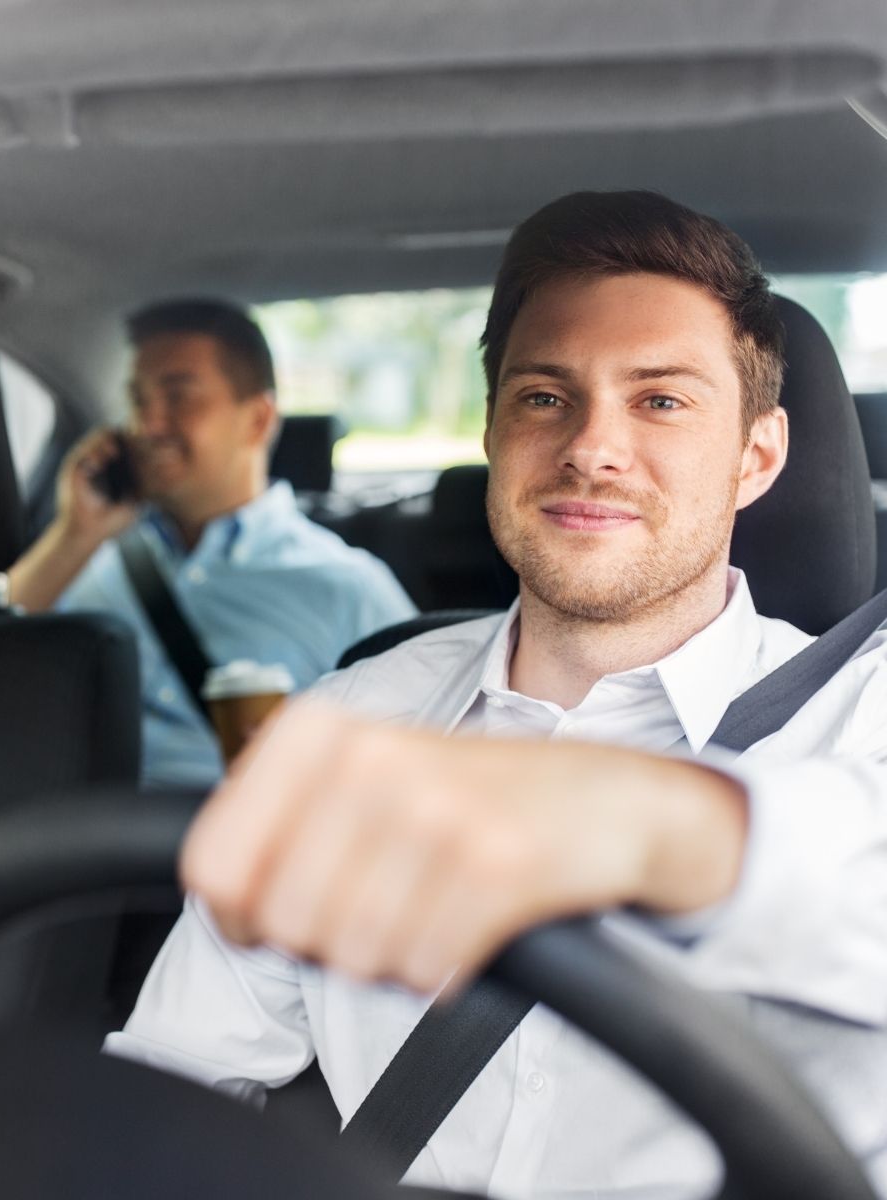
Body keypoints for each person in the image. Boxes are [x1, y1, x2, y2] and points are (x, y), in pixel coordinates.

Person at [106, 193, 887, 1196]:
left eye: (660, 401)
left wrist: (672, 832)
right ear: (491, 431)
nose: (591, 448)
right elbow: (169, 1087)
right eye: (545, 397)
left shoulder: (862, 718)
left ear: (757, 456)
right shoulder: (350, 721)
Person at [0, 298, 416, 789]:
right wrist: (73, 536)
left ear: (258, 420)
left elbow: (425, 767)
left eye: (178, 397)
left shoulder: (349, 587)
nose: (147, 425)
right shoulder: (86, 558)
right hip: (69, 826)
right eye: (138, 401)